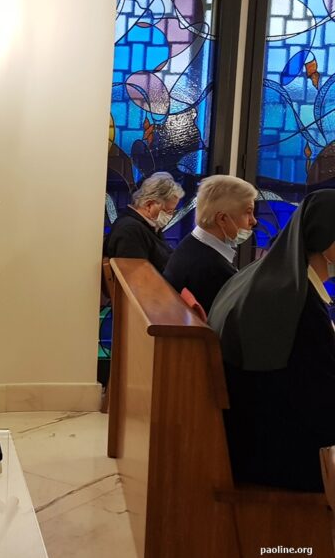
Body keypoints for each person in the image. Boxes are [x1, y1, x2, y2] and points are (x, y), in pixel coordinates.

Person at [208, 189, 335, 492]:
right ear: (327, 239)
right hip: (276, 453)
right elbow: (320, 398)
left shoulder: (268, 277)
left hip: (251, 432)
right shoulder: (297, 303)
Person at [163, 175, 257, 313]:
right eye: (248, 212)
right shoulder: (214, 270)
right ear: (222, 219)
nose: (253, 221)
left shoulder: (191, 244)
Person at [104, 171, 185, 273]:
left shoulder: (149, 226)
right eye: (168, 211)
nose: (171, 215)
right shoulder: (130, 230)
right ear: (149, 205)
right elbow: (134, 277)